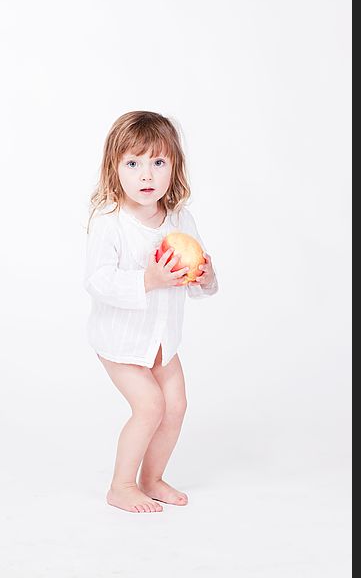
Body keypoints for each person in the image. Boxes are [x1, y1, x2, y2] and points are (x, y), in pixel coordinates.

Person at [84, 111, 219, 513]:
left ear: (174, 167)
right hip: (120, 340)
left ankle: (152, 477)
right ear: (115, 169)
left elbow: (199, 284)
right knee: (150, 406)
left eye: (158, 162)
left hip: (162, 339)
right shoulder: (110, 223)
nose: (147, 175)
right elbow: (97, 281)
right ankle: (121, 485)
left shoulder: (181, 219)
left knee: (176, 406)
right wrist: (147, 279)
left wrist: (205, 275)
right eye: (133, 163)